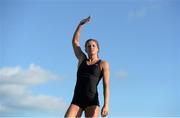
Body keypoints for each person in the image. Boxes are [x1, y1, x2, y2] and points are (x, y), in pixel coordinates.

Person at [64, 16, 110, 118]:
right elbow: (75, 42)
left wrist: (106, 105)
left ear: (98, 49)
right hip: (77, 100)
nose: (91, 47)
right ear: (85, 49)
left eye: (94, 45)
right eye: (88, 46)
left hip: (92, 101)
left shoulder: (103, 64)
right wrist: (80, 25)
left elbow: (106, 85)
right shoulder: (82, 59)